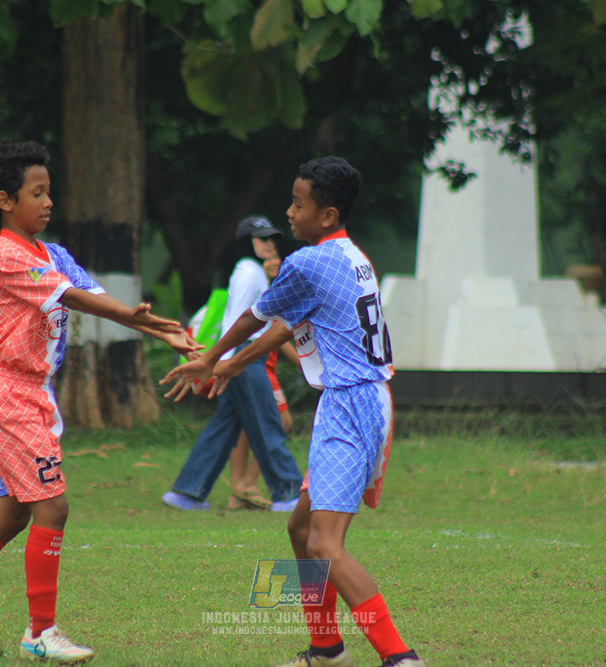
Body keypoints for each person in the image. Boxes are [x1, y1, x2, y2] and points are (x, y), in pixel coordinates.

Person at [0, 139, 199, 664]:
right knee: (53, 506)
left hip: (35, 396)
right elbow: (72, 298)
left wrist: (158, 329)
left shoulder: (51, 253)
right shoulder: (6, 256)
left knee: (13, 514)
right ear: (5, 200)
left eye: (48, 192)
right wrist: (133, 318)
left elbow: (95, 295)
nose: (48, 202)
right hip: (9, 395)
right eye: (36, 193)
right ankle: (40, 632)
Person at [163, 157, 424, 667]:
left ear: (327, 215)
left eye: (297, 204)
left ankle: (401, 658)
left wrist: (212, 358)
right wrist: (228, 368)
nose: (288, 213)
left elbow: (252, 319)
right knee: (300, 530)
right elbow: (284, 327)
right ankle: (326, 649)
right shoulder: (350, 255)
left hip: (350, 403)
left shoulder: (307, 263)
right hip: (367, 399)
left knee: (325, 545)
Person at [162, 216, 304, 513]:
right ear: (245, 242)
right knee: (267, 425)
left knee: (224, 427)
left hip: (242, 357)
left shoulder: (251, 271)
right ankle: (288, 493)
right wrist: (225, 363)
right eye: (261, 238)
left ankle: (186, 492)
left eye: (271, 238)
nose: (269, 243)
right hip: (243, 358)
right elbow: (237, 319)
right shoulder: (249, 272)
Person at [227, 251, 300, 511]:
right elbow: (276, 334)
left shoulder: (272, 290)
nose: (273, 262)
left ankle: (239, 490)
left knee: (244, 423)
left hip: (258, 364)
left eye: (276, 257)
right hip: (258, 366)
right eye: (267, 258)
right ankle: (246, 483)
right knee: (281, 421)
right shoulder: (264, 292)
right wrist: (303, 362)